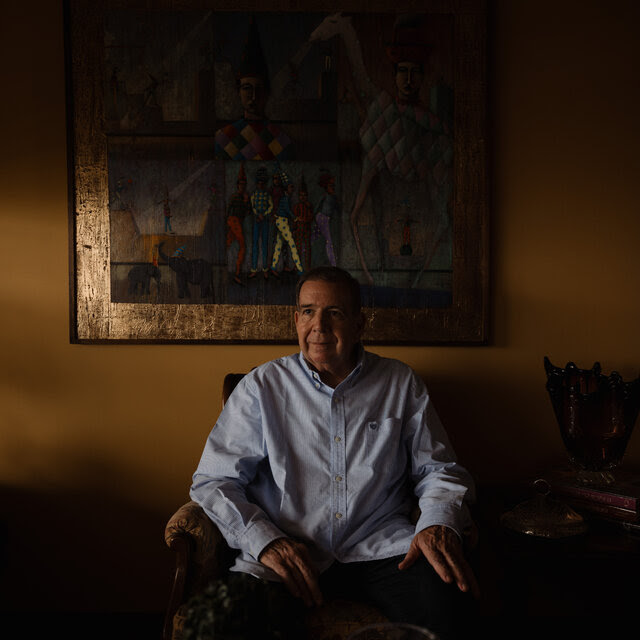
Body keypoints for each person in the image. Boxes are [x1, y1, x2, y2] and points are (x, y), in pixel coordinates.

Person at [191, 266, 478, 639]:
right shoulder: (260, 387)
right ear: (296, 319)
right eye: (308, 311)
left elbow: (439, 469)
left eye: (335, 313)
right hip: (289, 553)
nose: (319, 326)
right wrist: (264, 541)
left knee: (449, 603)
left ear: (360, 323)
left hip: (382, 550)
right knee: (229, 622)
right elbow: (214, 480)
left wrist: (438, 522)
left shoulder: (400, 382)